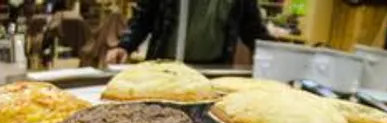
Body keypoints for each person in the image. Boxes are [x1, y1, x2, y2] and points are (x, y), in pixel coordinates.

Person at [106, 0, 274, 65]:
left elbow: (253, 30)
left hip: (212, 70)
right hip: (164, 67)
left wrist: (279, 55)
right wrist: (125, 46)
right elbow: (143, 18)